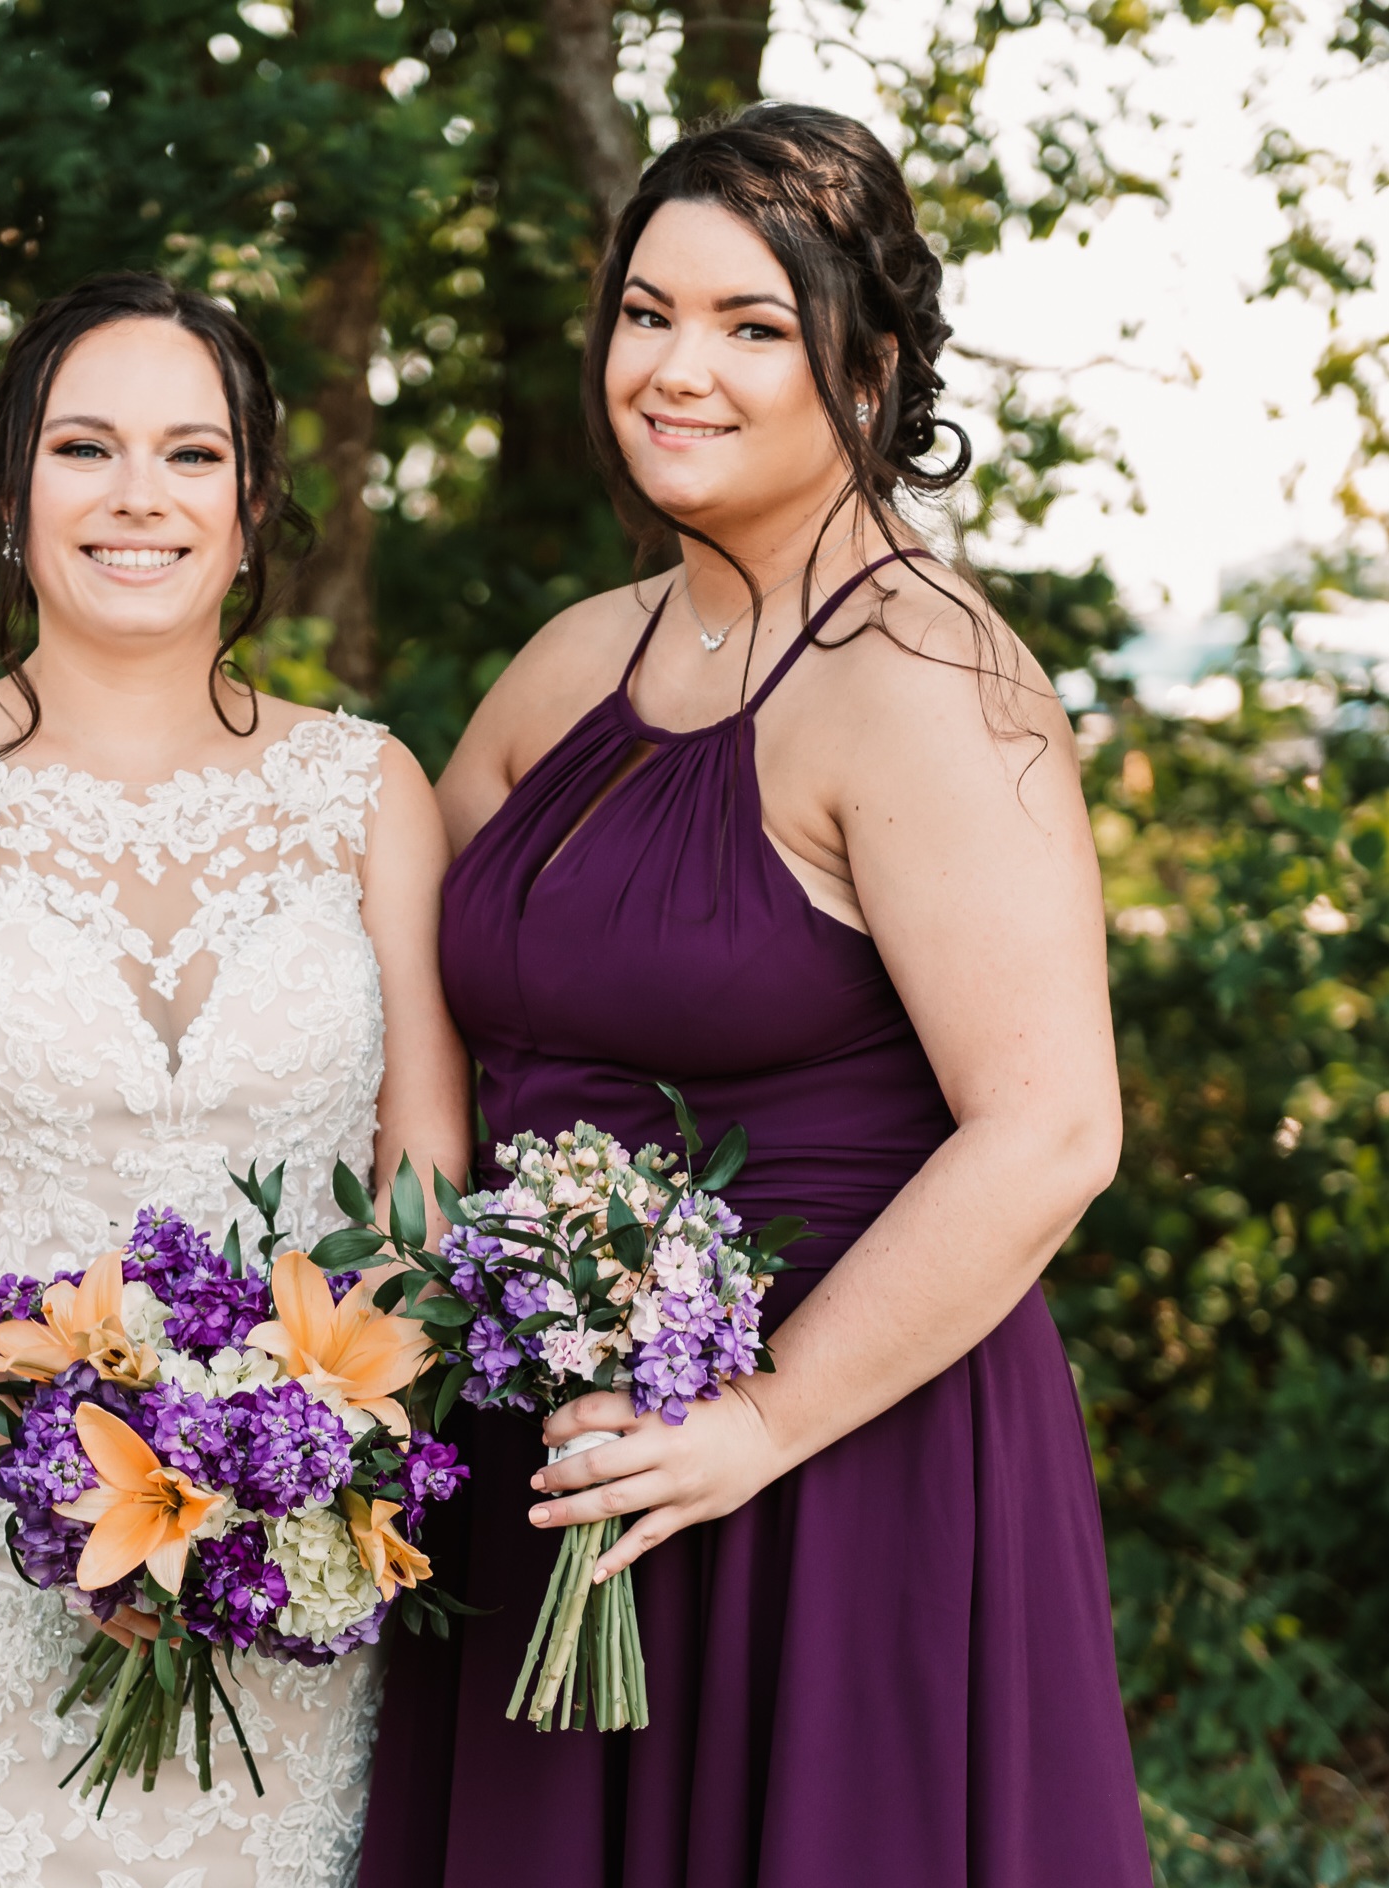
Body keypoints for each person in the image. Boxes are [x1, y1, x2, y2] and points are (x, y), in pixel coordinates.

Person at [360, 103, 1151, 1887]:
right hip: (553, 1444)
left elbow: (1052, 1132)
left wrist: (758, 1423)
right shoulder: (581, 657)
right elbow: (417, 991)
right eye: (646, 313)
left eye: (749, 325)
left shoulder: (928, 678)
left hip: (832, 1465)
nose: (674, 369)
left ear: (863, 370)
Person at [0, 273, 468, 1888]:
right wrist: (62, 1479)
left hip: (283, 1555)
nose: (138, 497)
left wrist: (305, 1463)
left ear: (251, 507)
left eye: (191, 454)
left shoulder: (367, 790)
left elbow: (423, 1168)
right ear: (13, 495)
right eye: (85, 448)